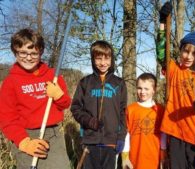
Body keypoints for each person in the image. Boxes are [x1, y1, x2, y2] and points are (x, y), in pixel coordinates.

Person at [0, 28, 71, 169]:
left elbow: (65, 104)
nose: (28, 57)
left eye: (34, 53)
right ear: (15, 52)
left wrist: (59, 96)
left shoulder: (52, 75)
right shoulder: (10, 82)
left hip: (53, 134)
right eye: (23, 53)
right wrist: (24, 142)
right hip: (26, 134)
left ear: (41, 52)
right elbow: (7, 118)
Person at [157, 2, 195, 169]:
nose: (189, 56)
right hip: (175, 131)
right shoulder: (173, 69)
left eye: (194, 53)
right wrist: (163, 23)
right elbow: (161, 53)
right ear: (180, 51)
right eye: (186, 51)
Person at [71, 40, 127, 169]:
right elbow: (75, 108)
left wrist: (121, 137)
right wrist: (89, 121)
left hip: (111, 142)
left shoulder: (119, 83)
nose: (103, 63)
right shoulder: (85, 82)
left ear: (112, 59)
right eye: (98, 58)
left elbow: (123, 112)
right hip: (90, 141)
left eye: (107, 58)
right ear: (93, 59)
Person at [121, 73, 167, 169]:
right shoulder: (130, 109)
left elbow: (163, 135)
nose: (142, 92)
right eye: (139, 88)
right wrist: (125, 157)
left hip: (154, 158)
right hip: (135, 158)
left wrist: (163, 155)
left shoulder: (160, 110)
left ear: (153, 90)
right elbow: (126, 134)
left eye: (146, 89)